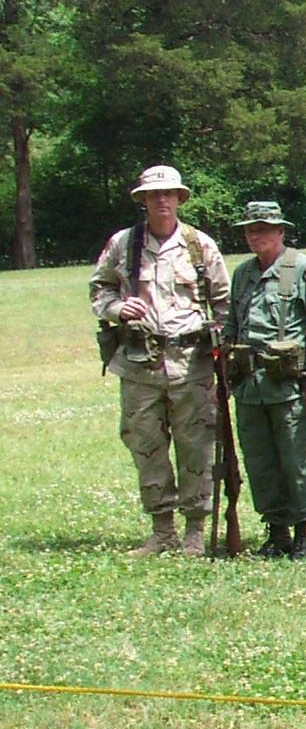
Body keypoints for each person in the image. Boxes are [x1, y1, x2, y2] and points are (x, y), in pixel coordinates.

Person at [88, 165, 231, 557]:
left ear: (180, 198)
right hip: (139, 364)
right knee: (146, 444)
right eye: (154, 194)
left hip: (192, 365)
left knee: (196, 445)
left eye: (169, 193)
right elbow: (99, 289)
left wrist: (222, 355)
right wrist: (117, 308)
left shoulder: (200, 245)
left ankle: (195, 531)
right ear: (144, 201)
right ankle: (162, 530)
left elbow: (224, 304)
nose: (162, 200)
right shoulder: (123, 244)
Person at [220, 201, 306, 560]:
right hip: (249, 385)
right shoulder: (243, 273)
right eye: (249, 230)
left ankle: (302, 533)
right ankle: (276, 532)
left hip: (288, 385)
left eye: (263, 229)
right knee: (259, 461)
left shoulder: (301, 269)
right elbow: (232, 325)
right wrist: (223, 373)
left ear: (280, 231)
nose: (254, 236)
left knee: (295, 460)